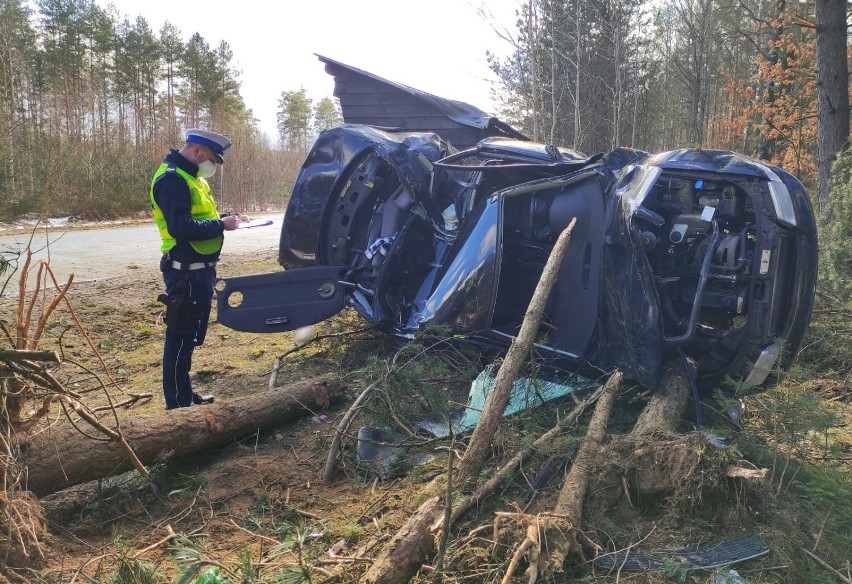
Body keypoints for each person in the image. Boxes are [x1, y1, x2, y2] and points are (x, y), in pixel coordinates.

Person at [149, 129, 245, 410]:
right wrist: (221, 225)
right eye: (212, 159)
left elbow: (201, 217)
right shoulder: (172, 179)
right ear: (197, 152)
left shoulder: (191, 177)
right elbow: (181, 227)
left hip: (199, 270)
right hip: (184, 273)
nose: (212, 165)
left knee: (189, 336)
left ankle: (184, 393)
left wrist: (228, 219)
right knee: (179, 338)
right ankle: (177, 406)